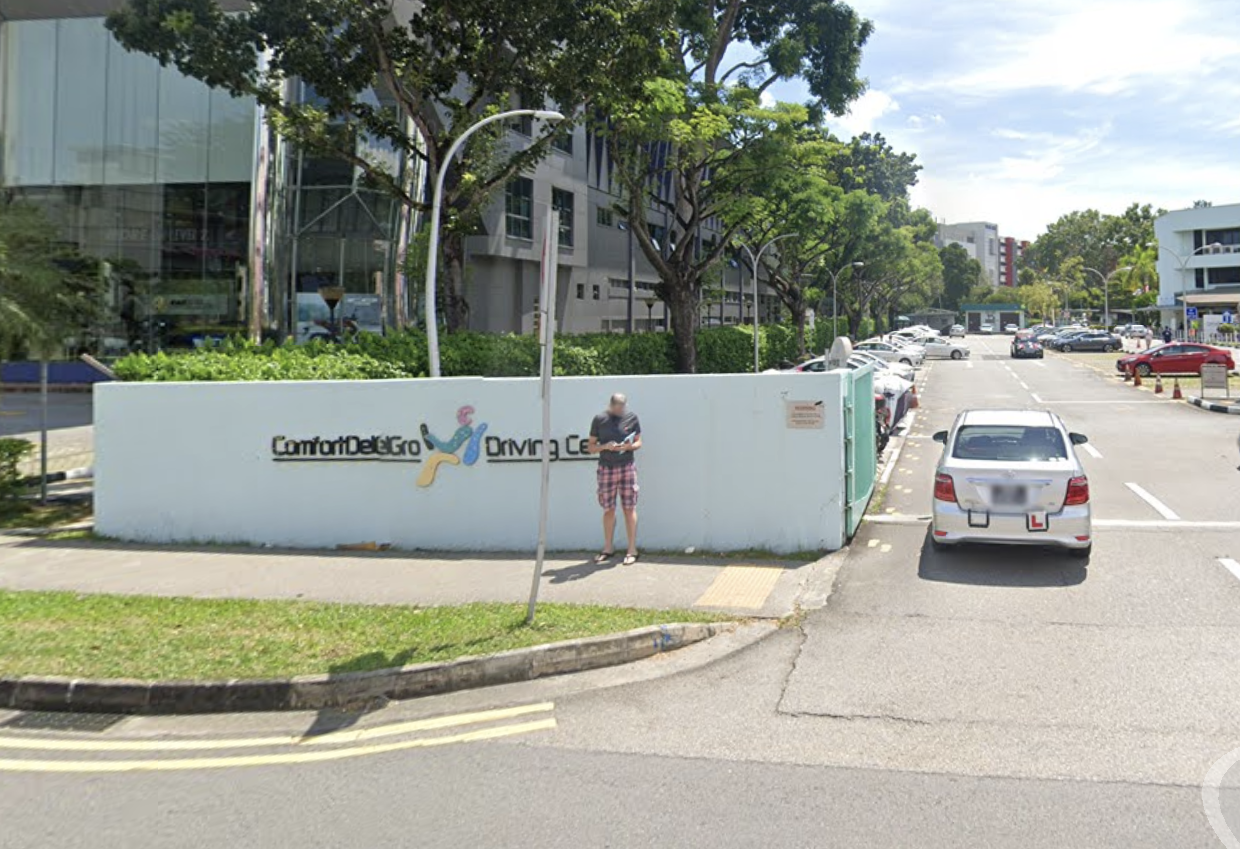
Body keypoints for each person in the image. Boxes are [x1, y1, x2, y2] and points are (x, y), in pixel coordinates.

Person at [587, 393, 642, 565]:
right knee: (608, 509)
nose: (620, 411)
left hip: (627, 467)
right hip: (606, 469)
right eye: (617, 408)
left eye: (622, 407)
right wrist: (605, 446)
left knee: (629, 508)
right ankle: (608, 548)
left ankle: (632, 549)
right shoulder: (599, 419)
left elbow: (639, 442)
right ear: (610, 405)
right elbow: (590, 447)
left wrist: (629, 446)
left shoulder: (632, 418)